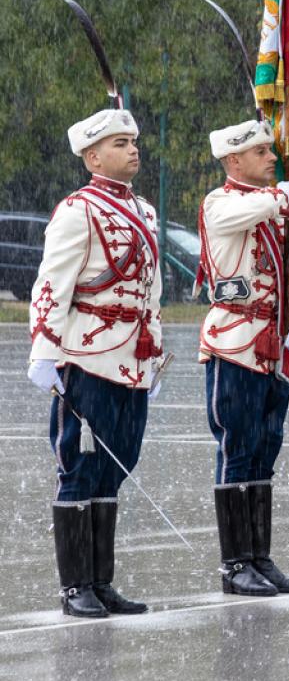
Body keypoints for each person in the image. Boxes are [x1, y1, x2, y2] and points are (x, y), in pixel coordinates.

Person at [27, 107, 164, 617]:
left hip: (132, 358)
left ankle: (101, 581)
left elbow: (150, 293)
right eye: (120, 143)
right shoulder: (76, 211)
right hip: (87, 356)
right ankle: (75, 586)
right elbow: (52, 284)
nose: (134, 149)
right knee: (79, 467)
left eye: (133, 141)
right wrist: (45, 350)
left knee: (116, 465)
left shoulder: (146, 212)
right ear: (92, 156)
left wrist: (152, 357)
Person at [197, 119, 289, 596]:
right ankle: (235, 564)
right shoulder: (221, 203)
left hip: (275, 350)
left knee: (264, 453)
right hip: (234, 344)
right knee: (237, 449)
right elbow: (231, 218)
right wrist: (280, 198)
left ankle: (259, 556)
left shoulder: (278, 210)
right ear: (234, 161)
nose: (272, 159)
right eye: (260, 153)